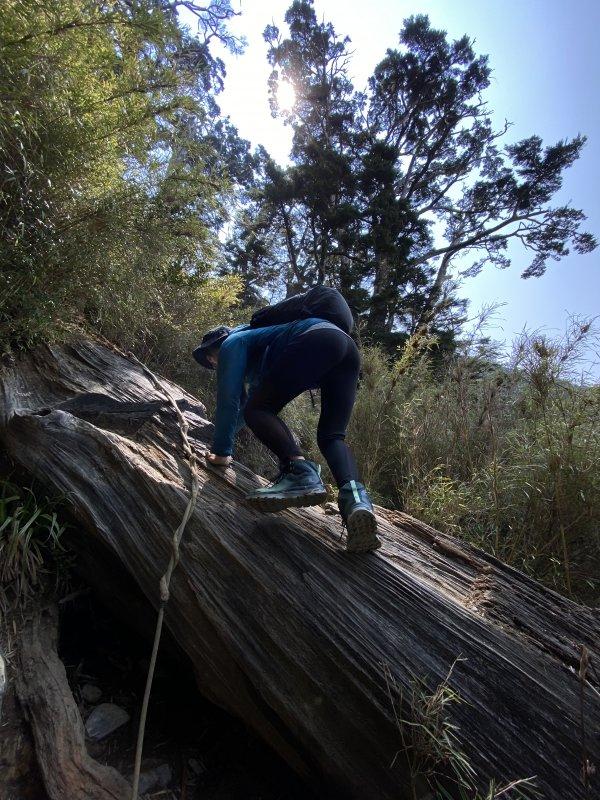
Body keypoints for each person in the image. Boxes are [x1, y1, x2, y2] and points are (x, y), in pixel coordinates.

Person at [193, 316, 381, 552]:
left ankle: (300, 472)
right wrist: (215, 435)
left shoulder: (234, 343)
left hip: (316, 338)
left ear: (221, 344)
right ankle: (357, 503)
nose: (211, 362)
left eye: (210, 355)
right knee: (332, 437)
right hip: (346, 349)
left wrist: (220, 452)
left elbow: (228, 401)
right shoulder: (260, 356)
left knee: (259, 410)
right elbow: (242, 411)